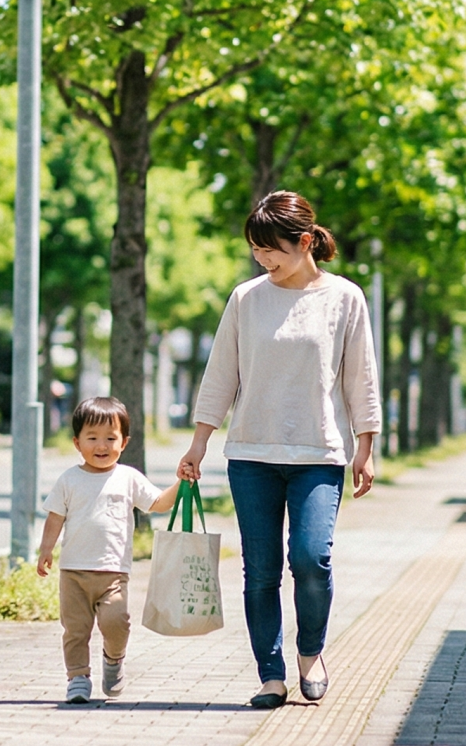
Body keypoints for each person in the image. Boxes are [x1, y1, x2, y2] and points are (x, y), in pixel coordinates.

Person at [177, 190, 381, 709]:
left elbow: (360, 376)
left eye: (274, 250)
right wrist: (199, 443)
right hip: (251, 454)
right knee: (260, 570)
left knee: (312, 559)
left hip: (318, 453)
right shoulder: (246, 298)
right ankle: (271, 675)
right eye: (256, 250)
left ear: (306, 242)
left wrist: (367, 444)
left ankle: (310, 653)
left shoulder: (344, 297)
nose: (264, 260)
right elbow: (221, 372)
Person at [35, 395, 181, 704]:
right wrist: (46, 549)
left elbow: (157, 503)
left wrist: (181, 483)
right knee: (75, 630)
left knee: (117, 622)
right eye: (92, 438)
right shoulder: (69, 479)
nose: (101, 445)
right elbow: (55, 517)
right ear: (77, 442)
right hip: (73, 572)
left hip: (114, 572)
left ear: (124, 442)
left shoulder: (128, 478)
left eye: (110, 438)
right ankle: (77, 678)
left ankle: (114, 659)